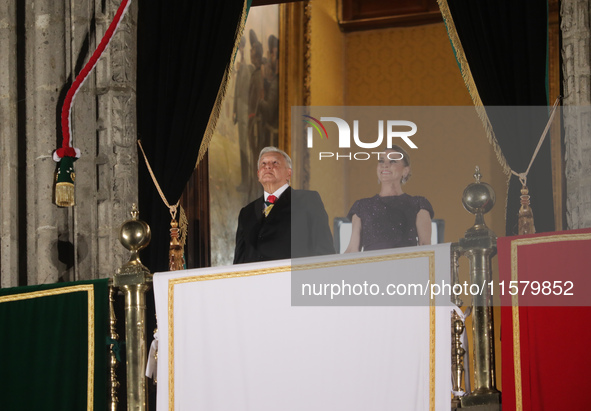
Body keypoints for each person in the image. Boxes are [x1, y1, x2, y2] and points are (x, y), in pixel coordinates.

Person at [234, 147, 335, 264]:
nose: (268, 166)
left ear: (289, 173)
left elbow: (324, 250)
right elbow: (239, 261)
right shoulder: (246, 212)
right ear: (258, 174)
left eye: (275, 162)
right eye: (263, 163)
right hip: (255, 281)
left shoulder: (307, 200)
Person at [345, 145, 433, 253]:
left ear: (405, 171)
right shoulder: (361, 206)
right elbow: (352, 249)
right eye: (381, 161)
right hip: (370, 268)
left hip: (406, 267)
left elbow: (425, 246)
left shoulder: (418, 204)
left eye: (393, 161)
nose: (385, 165)